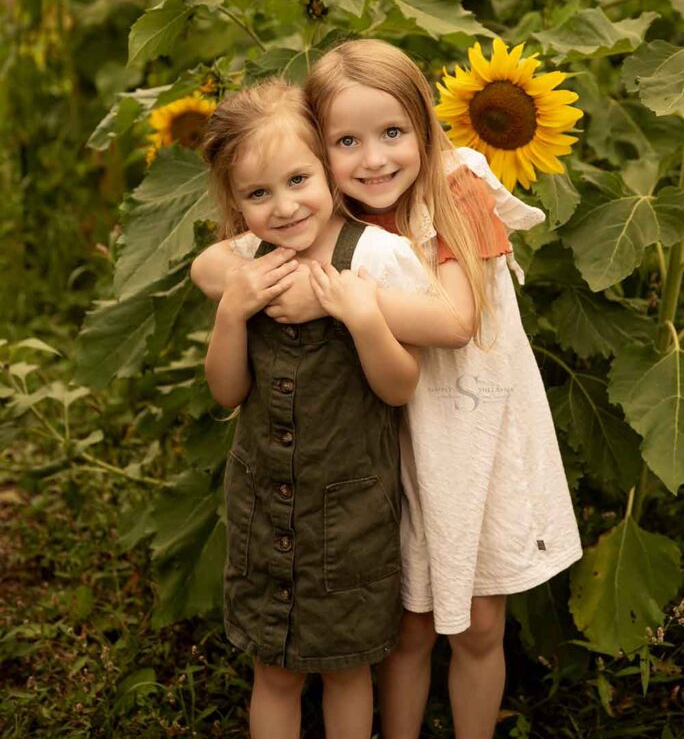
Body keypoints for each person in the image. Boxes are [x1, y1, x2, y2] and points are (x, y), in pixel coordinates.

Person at [193, 41, 582, 739]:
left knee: (478, 618)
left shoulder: (453, 187)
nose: (373, 159)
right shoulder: (319, 200)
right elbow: (210, 264)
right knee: (404, 619)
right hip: (379, 432)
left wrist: (328, 298)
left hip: (467, 423)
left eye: (393, 133)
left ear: (426, 129)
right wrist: (249, 289)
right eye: (348, 141)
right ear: (319, 148)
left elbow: (457, 322)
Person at [199, 76, 455, 739]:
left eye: (297, 180)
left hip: (348, 518)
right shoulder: (248, 263)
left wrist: (364, 319)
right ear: (234, 201)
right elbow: (228, 391)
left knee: (348, 669)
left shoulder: (377, 256)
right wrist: (233, 310)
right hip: (263, 508)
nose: (283, 208)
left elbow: (400, 387)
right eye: (257, 194)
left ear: (327, 168)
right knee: (275, 672)